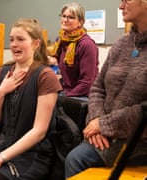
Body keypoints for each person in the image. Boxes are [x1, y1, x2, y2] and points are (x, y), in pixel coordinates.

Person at [0, 18, 62, 180]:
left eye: (20, 39)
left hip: (32, 155)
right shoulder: (2, 73)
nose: (14, 44)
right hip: (3, 147)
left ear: (36, 44)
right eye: (11, 39)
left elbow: (39, 132)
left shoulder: (45, 76)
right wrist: (0, 93)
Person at [65, 0, 147, 178]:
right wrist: (96, 118)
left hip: (138, 143)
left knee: (76, 159)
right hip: (106, 135)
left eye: (126, 0)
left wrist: (104, 125)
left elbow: (145, 111)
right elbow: (97, 88)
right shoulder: (121, 44)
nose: (120, 6)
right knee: (71, 155)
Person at [49, 2, 98, 99]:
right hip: (67, 90)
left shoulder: (86, 44)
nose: (65, 20)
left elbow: (86, 83)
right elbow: (56, 62)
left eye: (70, 17)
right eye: (63, 16)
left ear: (80, 22)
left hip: (84, 95)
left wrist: (65, 97)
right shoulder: (60, 40)